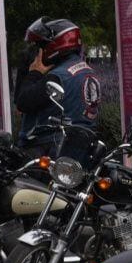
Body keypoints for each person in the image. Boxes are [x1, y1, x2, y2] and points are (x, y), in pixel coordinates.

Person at [15, 17, 101, 162]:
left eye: (40, 46)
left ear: (55, 46)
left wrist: (34, 73)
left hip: (48, 151)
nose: (37, 51)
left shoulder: (56, 77)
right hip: (81, 151)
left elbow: (22, 103)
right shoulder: (87, 71)